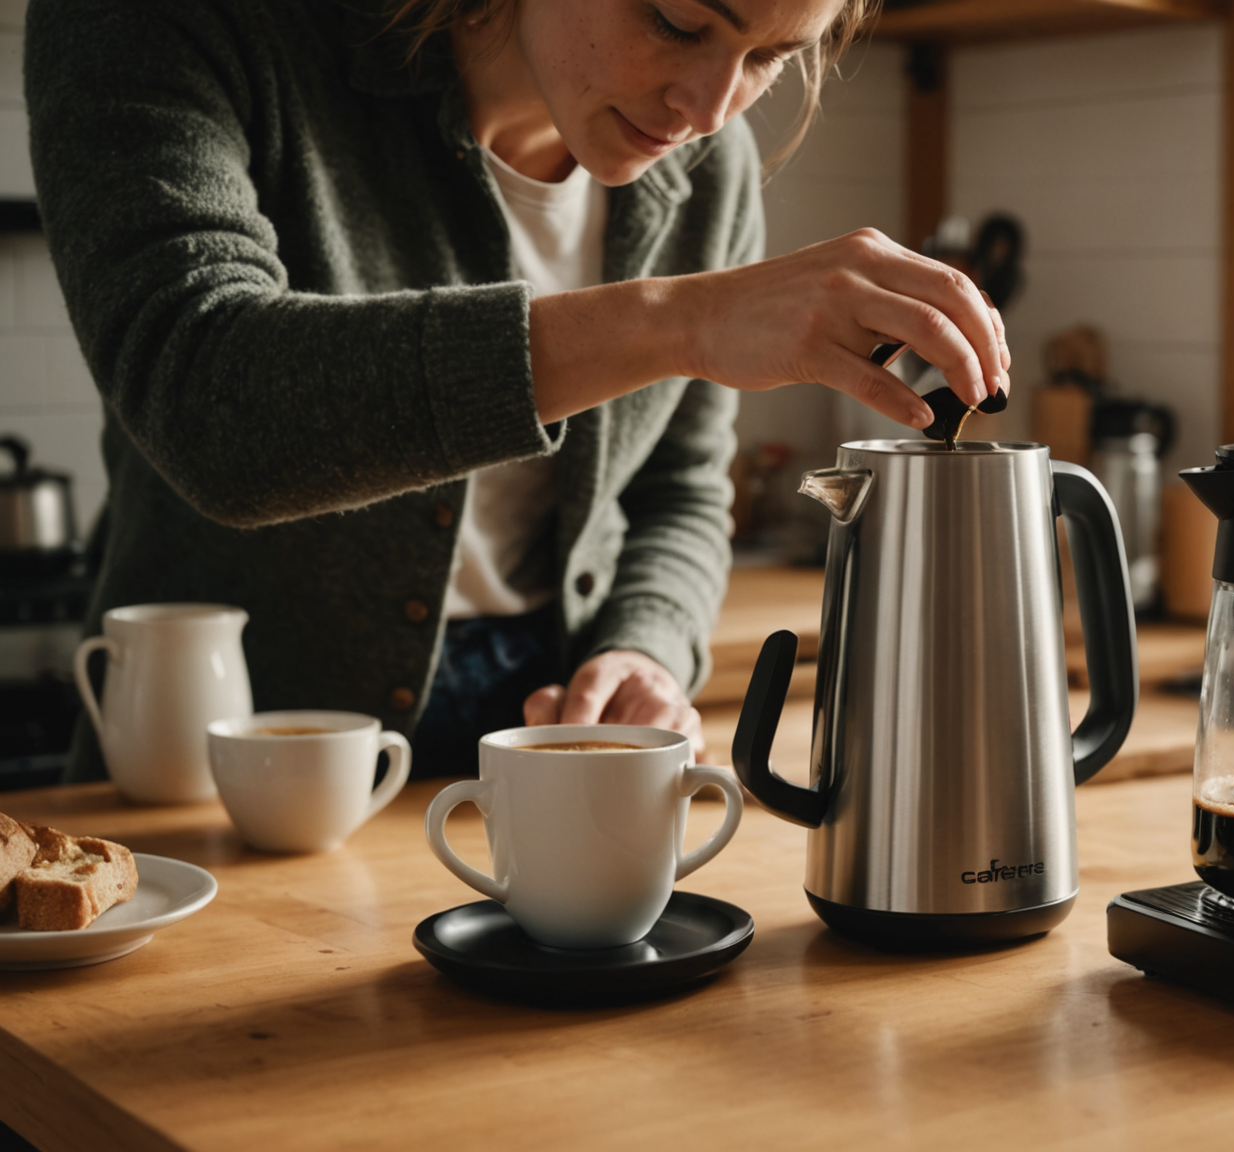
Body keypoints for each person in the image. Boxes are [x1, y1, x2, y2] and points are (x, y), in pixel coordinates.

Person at [26, 0, 1009, 778]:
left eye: (768, 57)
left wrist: (649, 650)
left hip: (553, 752)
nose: (709, 111)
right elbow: (208, 400)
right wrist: (679, 320)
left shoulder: (708, 175)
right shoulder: (185, 19)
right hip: (223, 769)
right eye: (676, 22)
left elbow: (679, 488)